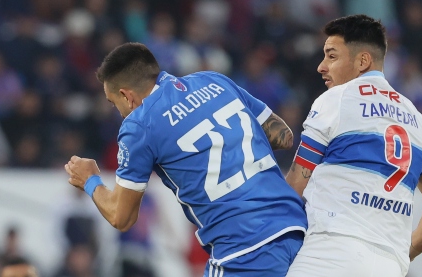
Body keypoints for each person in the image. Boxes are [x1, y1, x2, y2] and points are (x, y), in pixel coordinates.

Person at [65, 43, 307, 276]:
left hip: (243, 249)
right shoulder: (214, 81)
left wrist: (90, 180)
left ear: (126, 96)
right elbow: (283, 136)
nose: (118, 111)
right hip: (296, 227)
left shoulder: (139, 125)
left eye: (113, 102)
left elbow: (121, 216)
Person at [285, 15, 422, 277]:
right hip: (388, 265)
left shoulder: (336, 100)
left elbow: (296, 186)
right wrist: (399, 253)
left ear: (362, 61)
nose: (321, 66)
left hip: (329, 253)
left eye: (331, 56)